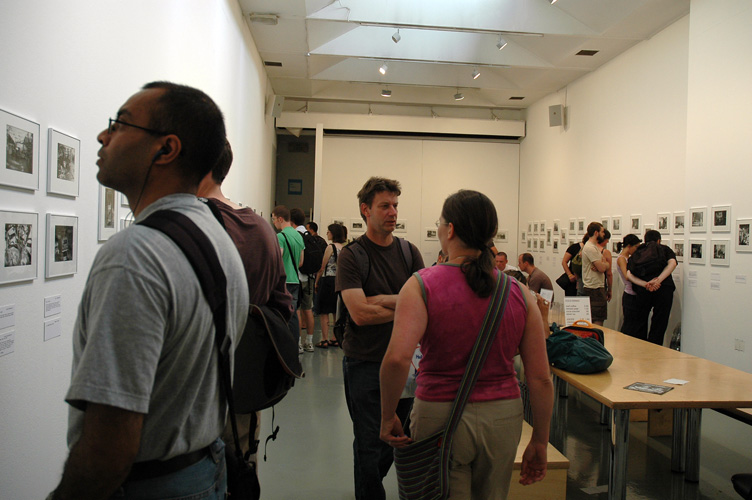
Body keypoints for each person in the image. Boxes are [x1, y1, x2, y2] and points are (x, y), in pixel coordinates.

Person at [48, 82, 249, 500]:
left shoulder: (134, 255)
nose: (103, 136)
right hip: (204, 470)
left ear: (166, 148)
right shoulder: (215, 236)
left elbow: (109, 446)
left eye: (119, 124)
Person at [379, 190, 553, 499]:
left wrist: (387, 415)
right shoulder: (518, 292)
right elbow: (540, 378)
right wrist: (540, 441)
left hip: (439, 415)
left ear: (450, 230)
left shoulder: (421, 285)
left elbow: (397, 359)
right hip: (503, 417)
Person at [196, 139, 293, 476]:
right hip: (246, 378)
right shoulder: (261, 227)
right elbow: (282, 305)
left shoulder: (193, 224)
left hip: (197, 387)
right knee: (241, 467)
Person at [336, 176, 425, 500]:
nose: (393, 212)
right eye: (385, 206)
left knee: (399, 438)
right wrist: (405, 305)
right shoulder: (352, 256)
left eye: (395, 205)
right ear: (365, 210)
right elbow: (359, 314)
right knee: (369, 443)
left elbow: (425, 304)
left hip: (405, 364)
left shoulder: (409, 252)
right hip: (365, 363)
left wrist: (382, 300)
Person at [626, 230, 678, 345]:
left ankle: (641, 348)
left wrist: (646, 284)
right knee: (659, 323)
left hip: (643, 291)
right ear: (659, 240)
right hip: (664, 289)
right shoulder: (665, 249)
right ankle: (655, 349)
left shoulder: (638, 252)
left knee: (641, 321)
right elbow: (672, 263)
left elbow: (629, 275)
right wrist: (658, 280)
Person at [272, 205, 305, 351]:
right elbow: (301, 261)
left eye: (273, 219)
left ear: (280, 219)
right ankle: (294, 346)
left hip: (283, 281)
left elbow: (277, 259)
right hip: (295, 280)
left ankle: (283, 347)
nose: (273, 223)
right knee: (293, 316)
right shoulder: (298, 236)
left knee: (280, 315)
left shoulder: (280, 237)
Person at [314, 223, 346, 347]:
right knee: (335, 310)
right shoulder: (344, 248)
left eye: (328, 231)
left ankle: (324, 339)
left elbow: (322, 267)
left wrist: (316, 282)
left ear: (333, 233)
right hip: (339, 281)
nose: (327, 233)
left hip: (328, 280)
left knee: (324, 311)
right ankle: (335, 337)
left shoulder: (330, 247)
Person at [291, 207, 316, 352]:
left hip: (297, 278)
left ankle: (299, 343)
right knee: (308, 310)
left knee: (297, 311)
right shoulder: (309, 234)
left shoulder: (294, 235)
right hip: (309, 277)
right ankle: (310, 342)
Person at [581, 222, 609, 326]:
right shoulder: (590, 248)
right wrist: (604, 265)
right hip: (594, 288)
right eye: (602, 232)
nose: (604, 234)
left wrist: (604, 264)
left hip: (596, 287)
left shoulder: (594, 247)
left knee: (598, 317)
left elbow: (605, 265)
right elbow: (602, 268)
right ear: (596, 233)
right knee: (597, 318)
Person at [615, 234, 641, 336]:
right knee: (629, 324)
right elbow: (626, 276)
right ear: (629, 246)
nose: (637, 250)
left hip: (632, 293)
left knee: (633, 323)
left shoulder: (627, 258)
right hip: (630, 294)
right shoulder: (622, 259)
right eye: (636, 247)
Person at [598, 229, 614, 304]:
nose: (607, 242)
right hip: (600, 284)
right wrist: (610, 289)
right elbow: (609, 273)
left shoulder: (586, 249)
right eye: (607, 239)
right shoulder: (605, 252)